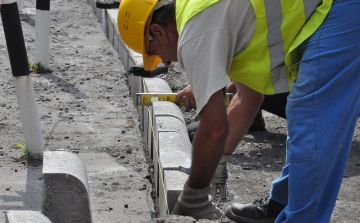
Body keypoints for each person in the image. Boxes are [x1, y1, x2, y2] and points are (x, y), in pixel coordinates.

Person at [118, 0, 360, 222]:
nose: (165, 62)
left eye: (155, 52)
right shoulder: (199, 10)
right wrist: (219, 162)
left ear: (158, 32)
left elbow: (214, 130)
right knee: (310, 123)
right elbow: (250, 95)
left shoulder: (194, 32)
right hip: (330, 10)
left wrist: (193, 198)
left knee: (312, 123)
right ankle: (281, 204)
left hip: (340, 10)